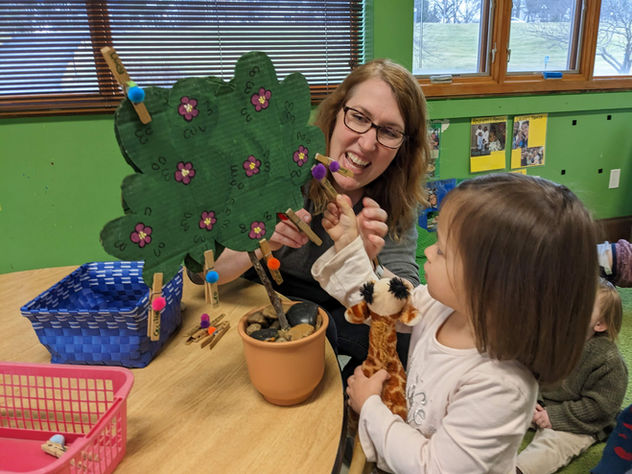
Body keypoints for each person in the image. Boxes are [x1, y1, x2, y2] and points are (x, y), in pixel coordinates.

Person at [311, 173, 599, 473]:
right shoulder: (444, 307)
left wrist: (370, 406)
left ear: (492, 287)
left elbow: (434, 467)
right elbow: (379, 301)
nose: (427, 252)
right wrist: (349, 244)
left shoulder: (501, 386)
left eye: (442, 250)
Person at [213, 58, 431, 378]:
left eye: (389, 131)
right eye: (359, 117)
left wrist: (364, 261)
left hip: (344, 311)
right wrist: (261, 239)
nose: (367, 144)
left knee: (405, 346)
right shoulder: (279, 171)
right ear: (336, 113)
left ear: (404, 145)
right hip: (269, 300)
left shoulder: (393, 201)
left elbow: (408, 309)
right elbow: (205, 272)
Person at [516, 278, 628, 474]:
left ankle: (517, 470)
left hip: (579, 420)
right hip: (541, 404)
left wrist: (555, 417)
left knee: (551, 448)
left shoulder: (608, 361)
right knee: (500, 404)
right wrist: (533, 400)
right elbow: (531, 370)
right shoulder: (550, 336)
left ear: (600, 324)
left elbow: (601, 408)